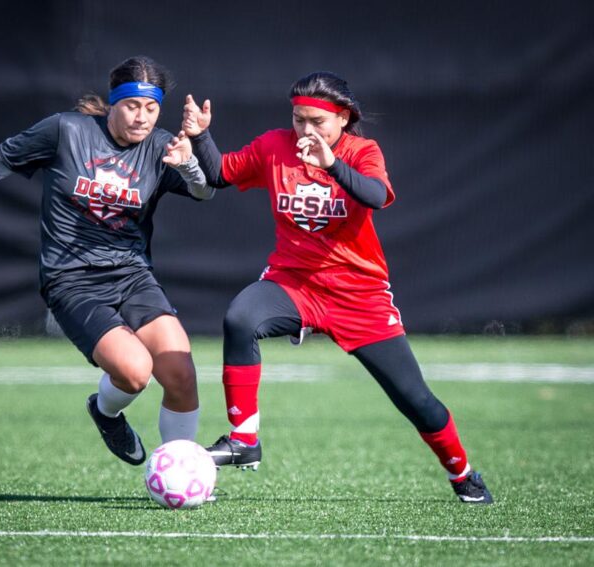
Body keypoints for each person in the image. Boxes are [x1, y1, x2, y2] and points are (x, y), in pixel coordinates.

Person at [182, 71, 493, 504]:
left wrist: (331, 163)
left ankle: (463, 474)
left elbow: (375, 195)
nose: (306, 130)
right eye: (298, 120)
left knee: (415, 399)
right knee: (240, 317)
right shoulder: (276, 145)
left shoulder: (362, 151)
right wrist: (201, 137)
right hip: (294, 282)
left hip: (358, 294)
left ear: (343, 118)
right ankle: (244, 440)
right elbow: (219, 174)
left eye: (317, 121)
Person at [0, 56, 215, 467]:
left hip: (133, 275)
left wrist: (190, 161)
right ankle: (105, 411)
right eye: (132, 106)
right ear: (113, 102)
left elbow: (204, 192)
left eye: (152, 108)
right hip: (72, 280)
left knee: (180, 372)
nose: (142, 118)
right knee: (136, 372)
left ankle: (181, 473)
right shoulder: (67, 131)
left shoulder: (161, 146)